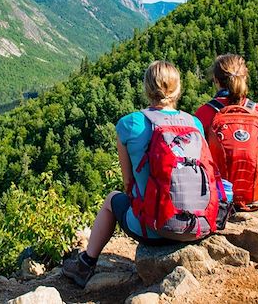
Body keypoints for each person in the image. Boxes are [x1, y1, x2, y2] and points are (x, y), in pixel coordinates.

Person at [63, 60, 210, 288]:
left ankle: (85, 264)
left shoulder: (128, 124)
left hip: (153, 229)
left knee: (112, 199)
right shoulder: (196, 124)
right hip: (196, 226)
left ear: (146, 88)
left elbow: (128, 182)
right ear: (178, 89)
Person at [195, 53, 258, 210]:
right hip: (256, 197)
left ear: (216, 81)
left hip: (218, 199)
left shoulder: (204, 113)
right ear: (245, 77)